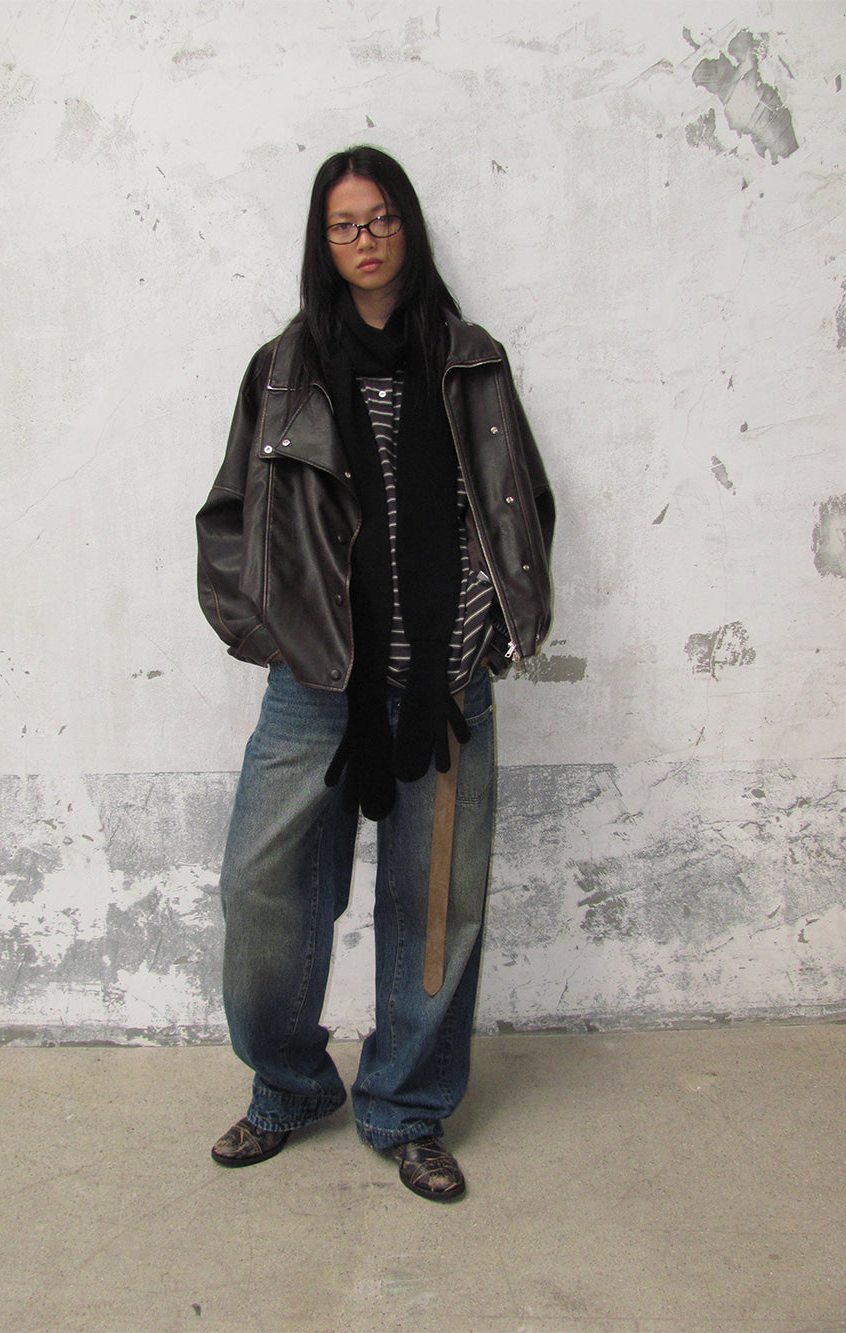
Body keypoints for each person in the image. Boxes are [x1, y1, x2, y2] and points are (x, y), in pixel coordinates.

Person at [195, 146, 555, 1203]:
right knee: (262, 891)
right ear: (324, 240)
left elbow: (519, 500)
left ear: (409, 227)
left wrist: (492, 628)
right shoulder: (283, 369)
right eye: (346, 223)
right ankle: (288, 1087)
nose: (367, 239)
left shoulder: (471, 359)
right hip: (316, 686)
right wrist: (269, 631)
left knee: (435, 909)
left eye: (383, 218)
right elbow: (231, 516)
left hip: (445, 689)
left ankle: (405, 1109)